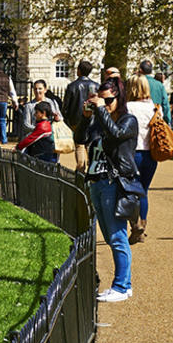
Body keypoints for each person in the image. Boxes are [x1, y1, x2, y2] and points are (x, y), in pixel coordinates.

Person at [82, 77, 138, 302]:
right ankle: (124, 284)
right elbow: (80, 138)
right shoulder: (100, 119)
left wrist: (100, 111)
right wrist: (86, 119)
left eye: (109, 100)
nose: (105, 104)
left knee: (117, 235)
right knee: (108, 234)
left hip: (115, 182)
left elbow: (116, 134)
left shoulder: (129, 120)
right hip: (97, 180)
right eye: (102, 100)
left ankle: (122, 287)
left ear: (119, 98)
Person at [124, 75, 158, 244]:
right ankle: (142, 226)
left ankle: (136, 226)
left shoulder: (128, 107)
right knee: (143, 191)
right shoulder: (153, 107)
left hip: (133, 152)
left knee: (131, 191)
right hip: (151, 154)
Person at [62, 60, 98, 171]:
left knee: (79, 145)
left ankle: (81, 169)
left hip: (76, 120)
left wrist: (67, 120)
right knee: (90, 145)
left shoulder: (72, 86)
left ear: (79, 70)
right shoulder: (96, 86)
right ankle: (92, 169)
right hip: (92, 119)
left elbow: (65, 106)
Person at [138, 60, 171, 124]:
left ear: (141, 70)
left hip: (139, 120)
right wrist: (167, 120)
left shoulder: (136, 83)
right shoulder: (159, 85)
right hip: (156, 120)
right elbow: (165, 105)